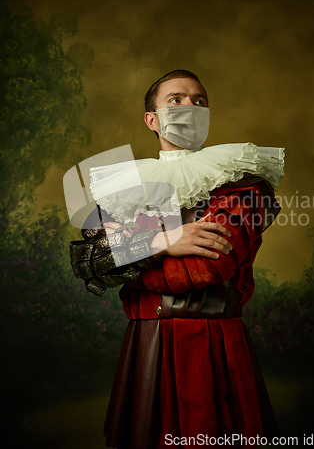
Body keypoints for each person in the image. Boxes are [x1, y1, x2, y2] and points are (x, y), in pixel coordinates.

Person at [70, 70, 284, 449]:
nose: (190, 107)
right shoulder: (125, 189)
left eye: (199, 100)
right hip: (147, 345)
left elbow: (207, 266)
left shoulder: (245, 185)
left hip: (213, 341)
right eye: (176, 99)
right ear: (151, 119)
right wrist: (163, 240)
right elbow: (89, 261)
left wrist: (132, 257)